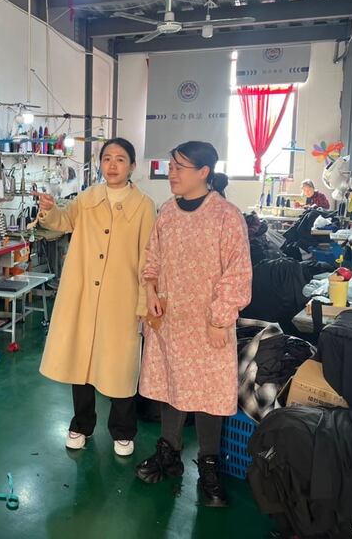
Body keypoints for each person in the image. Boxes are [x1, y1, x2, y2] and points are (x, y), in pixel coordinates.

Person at [134, 141, 252, 508]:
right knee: (172, 385)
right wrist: (150, 290)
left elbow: (237, 272)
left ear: (203, 172)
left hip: (208, 324)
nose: (171, 173)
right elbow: (152, 257)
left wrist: (220, 319)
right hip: (171, 320)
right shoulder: (168, 212)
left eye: (179, 168)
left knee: (207, 395)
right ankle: (169, 453)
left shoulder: (226, 216)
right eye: (170, 166)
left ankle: (209, 465)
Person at [35, 138, 156, 457]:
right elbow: (63, 222)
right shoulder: (87, 198)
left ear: (132, 166)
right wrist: (49, 210)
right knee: (83, 362)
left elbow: (148, 258)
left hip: (121, 299)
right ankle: (81, 425)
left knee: (121, 366)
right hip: (84, 295)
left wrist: (143, 302)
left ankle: (123, 431)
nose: (112, 165)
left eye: (120, 159)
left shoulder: (144, 206)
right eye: (107, 158)